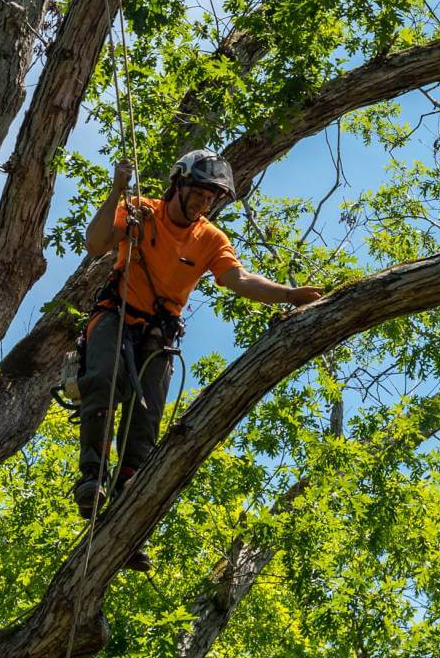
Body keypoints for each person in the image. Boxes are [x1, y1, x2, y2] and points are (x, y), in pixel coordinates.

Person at [74, 149, 322, 571]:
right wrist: (117, 191)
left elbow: (238, 279)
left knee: (145, 426)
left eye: (213, 197)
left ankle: (128, 523)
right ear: (180, 184)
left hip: (158, 334)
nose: (206, 203)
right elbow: (96, 243)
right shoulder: (141, 212)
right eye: (201, 193)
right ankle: (92, 479)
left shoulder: (210, 239)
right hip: (116, 316)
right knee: (103, 379)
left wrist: (287, 294)